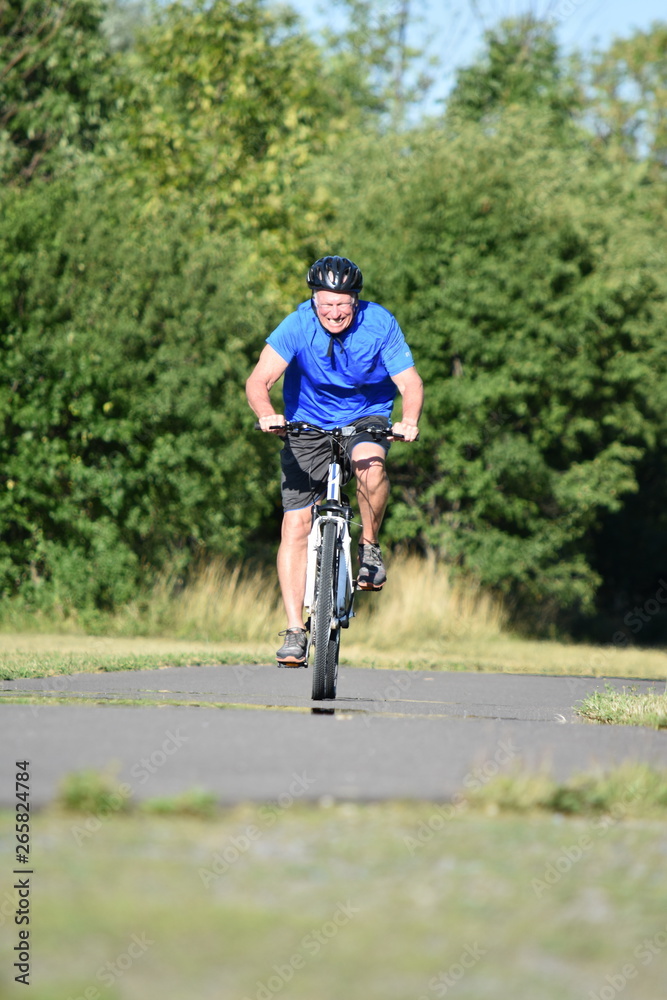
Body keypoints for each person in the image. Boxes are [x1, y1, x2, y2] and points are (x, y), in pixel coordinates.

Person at [246, 255, 423, 665]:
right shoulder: (297, 325)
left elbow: (409, 381)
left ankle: (370, 548)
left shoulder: (380, 324)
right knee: (296, 523)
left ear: (356, 301)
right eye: (325, 303)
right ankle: (294, 631)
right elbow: (259, 379)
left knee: (370, 467)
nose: (334, 312)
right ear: (313, 300)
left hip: (366, 418)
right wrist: (266, 414)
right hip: (306, 423)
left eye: (342, 303)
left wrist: (409, 420)